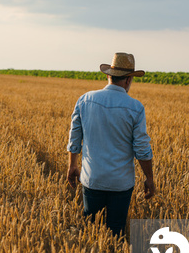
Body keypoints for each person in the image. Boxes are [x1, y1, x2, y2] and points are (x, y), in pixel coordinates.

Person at [66, 52, 155, 237]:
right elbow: (142, 149)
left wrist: (72, 165)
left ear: (109, 75)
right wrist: (149, 178)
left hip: (92, 179)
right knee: (116, 233)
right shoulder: (135, 107)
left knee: (90, 232)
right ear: (128, 80)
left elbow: (75, 137)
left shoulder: (85, 99)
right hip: (120, 184)